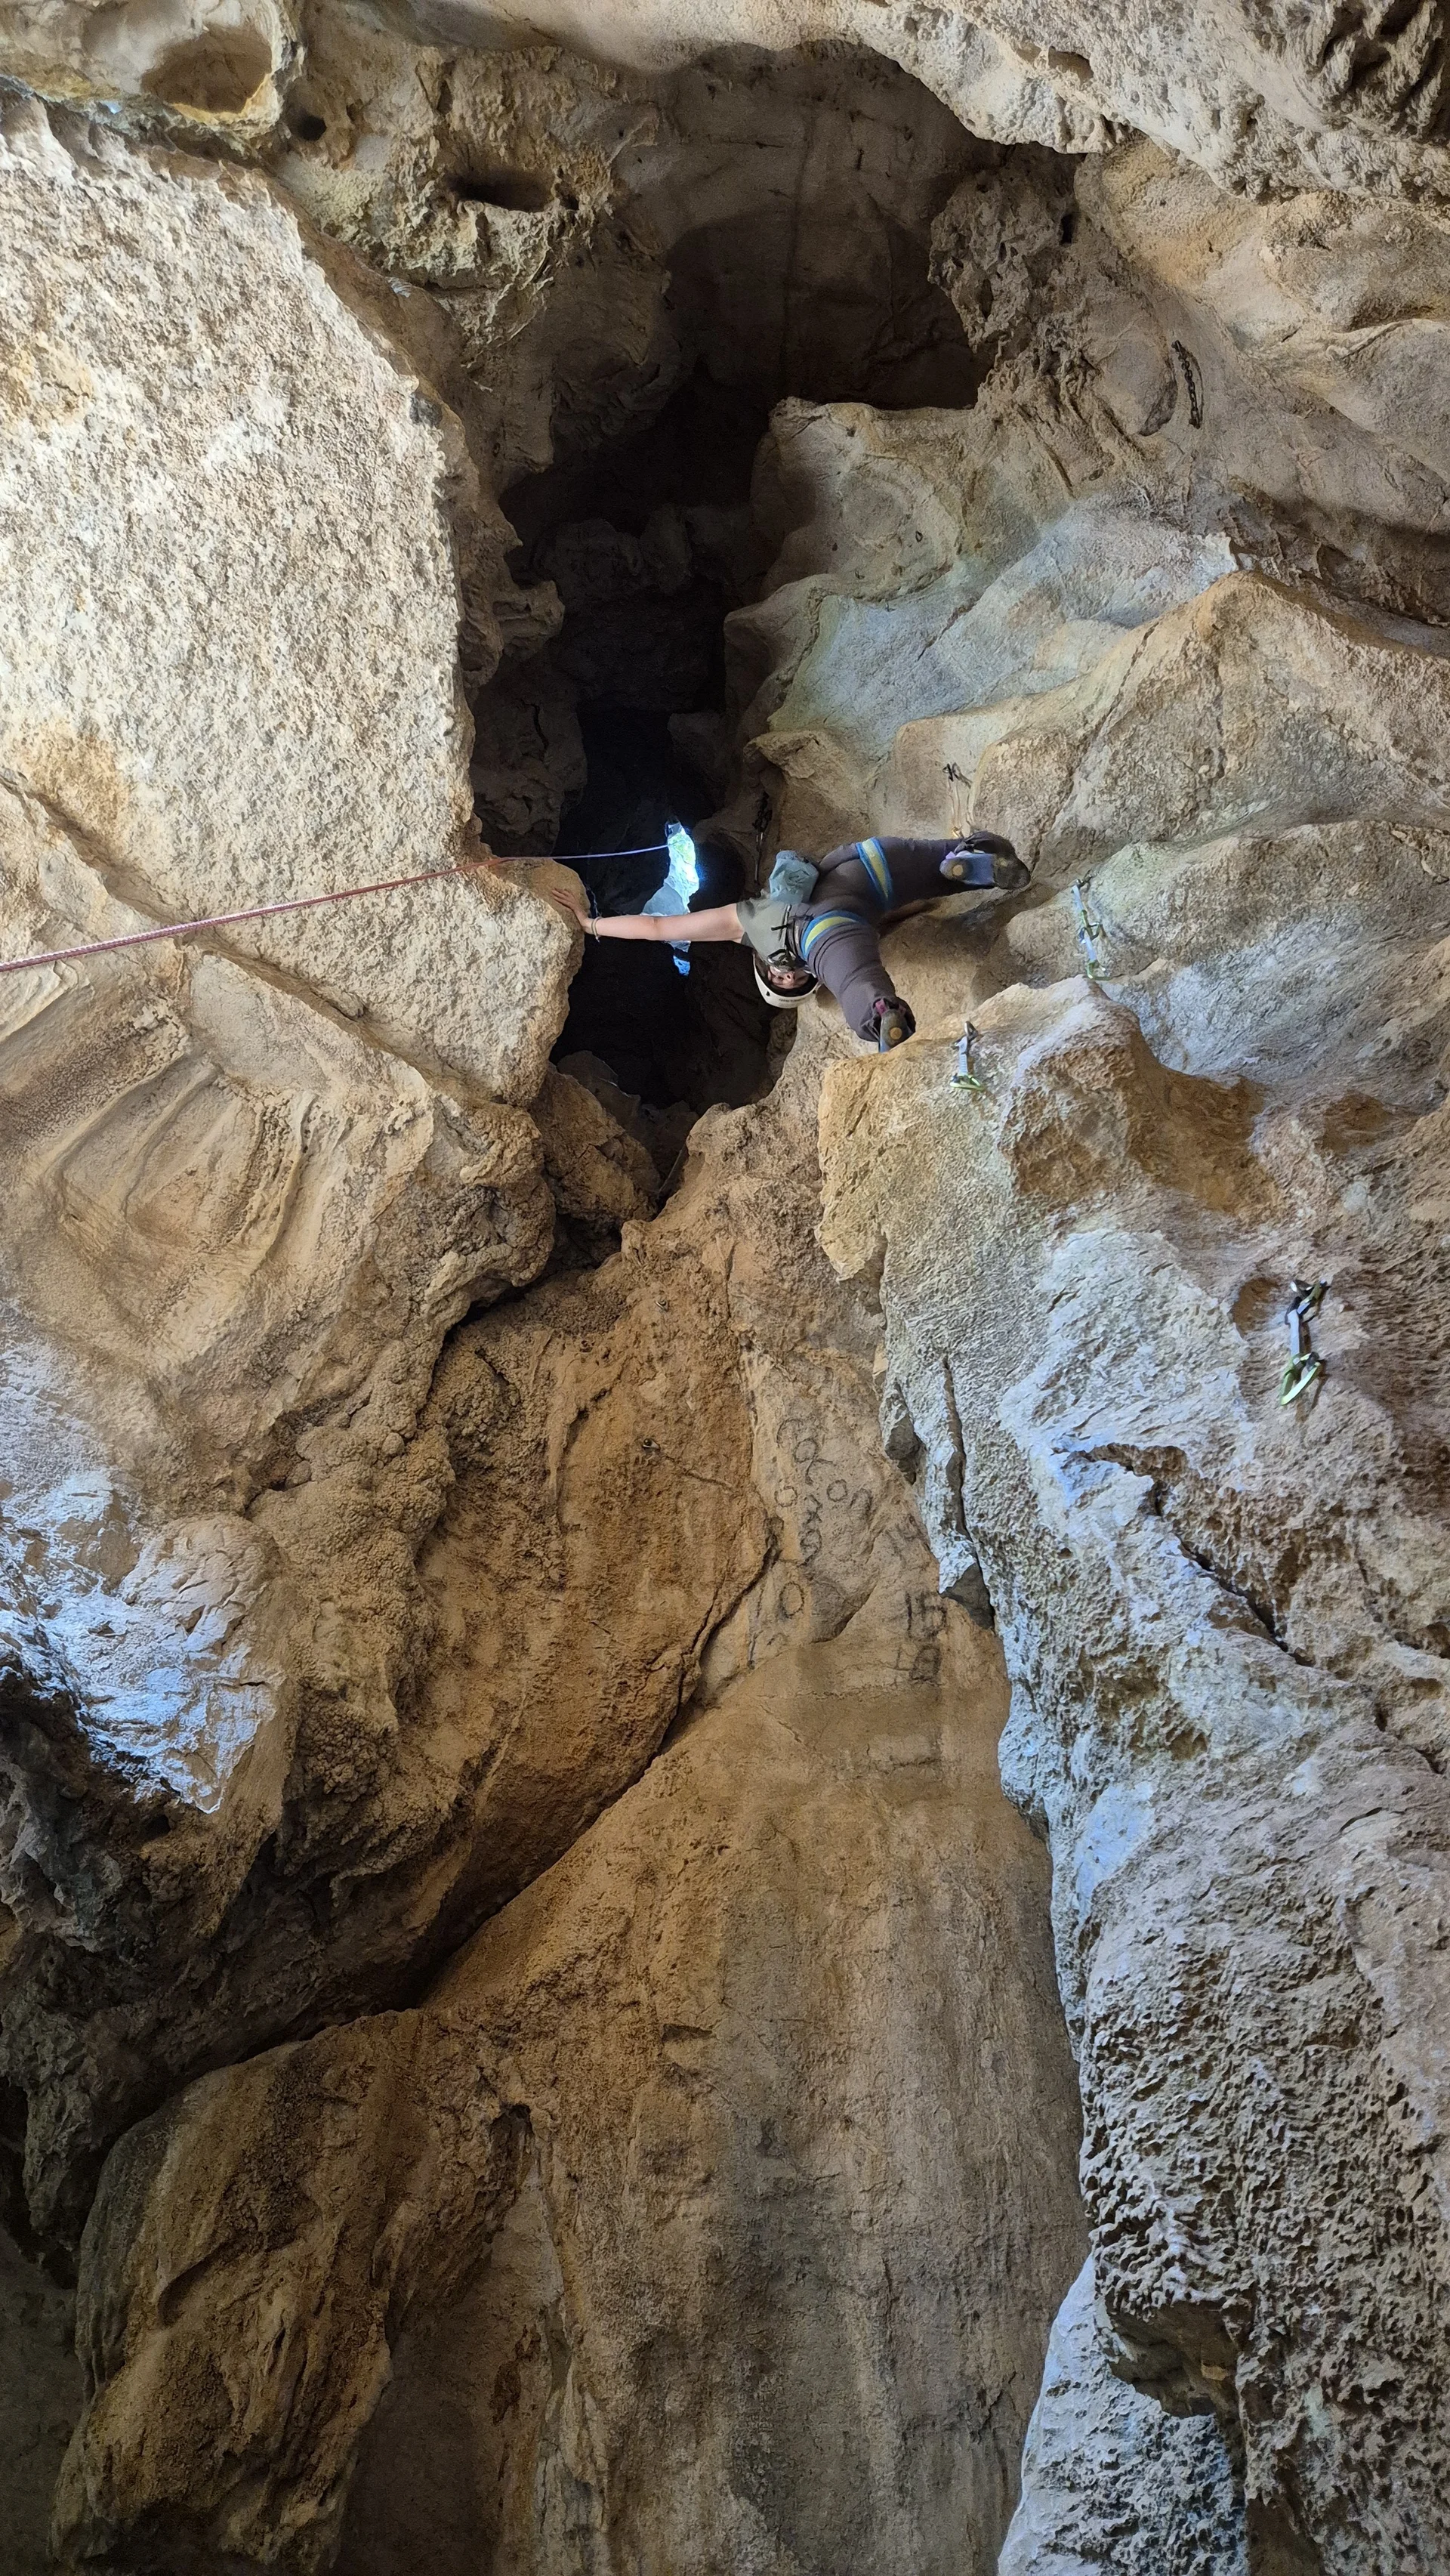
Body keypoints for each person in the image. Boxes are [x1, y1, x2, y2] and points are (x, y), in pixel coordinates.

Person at [549, 831, 1029, 1049]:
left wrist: (592, 926)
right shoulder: (747, 917)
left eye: (781, 976)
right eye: (791, 980)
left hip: (831, 929)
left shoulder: (779, 939)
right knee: (934, 866)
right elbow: (659, 927)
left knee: (859, 982)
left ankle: (879, 1017)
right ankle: (967, 860)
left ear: (768, 966)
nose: (788, 973)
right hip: (858, 866)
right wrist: (591, 923)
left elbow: (654, 929)